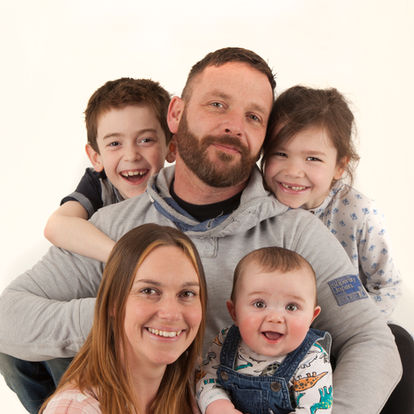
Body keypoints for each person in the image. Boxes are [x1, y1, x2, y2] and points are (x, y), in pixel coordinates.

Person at [0, 47, 401, 414]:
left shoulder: (296, 234)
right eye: (217, 105)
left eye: (253, 117)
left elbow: (373, 342)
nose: (233, 126)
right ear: (176, 114)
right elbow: (9, 317)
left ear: (263, 139)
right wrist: (124, 315)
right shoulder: (115, 227)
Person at [261, 85, 401, 319]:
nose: (294, 171)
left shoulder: (359, 213)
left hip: (345, 324)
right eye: (280, 154)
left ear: (340, 166)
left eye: (312, 158)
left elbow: (387, 285)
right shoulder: (257, 207)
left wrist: (359, 327)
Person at [40, 223, 207, 414]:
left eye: (186, 293)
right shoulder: (75, 410)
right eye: (149, 291)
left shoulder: (201, 389)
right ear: (113, 302)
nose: (171, 313)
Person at [44, 77, 173, 263]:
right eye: (115, 143)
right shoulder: (99, 185)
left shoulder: (178, 187)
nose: (131, 155)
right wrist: (124, 259)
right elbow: (56, 226)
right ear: (96, 157)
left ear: (172, 147)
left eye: (145, 140)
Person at [196, 247, 332, 414]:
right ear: (234, 312)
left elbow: (314, 409)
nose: (275, 318)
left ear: (312, 317)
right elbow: (206, 378)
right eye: (259, 304)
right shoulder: (225, 341)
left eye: (291, 307)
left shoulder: (313, 358)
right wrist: (218, 405)